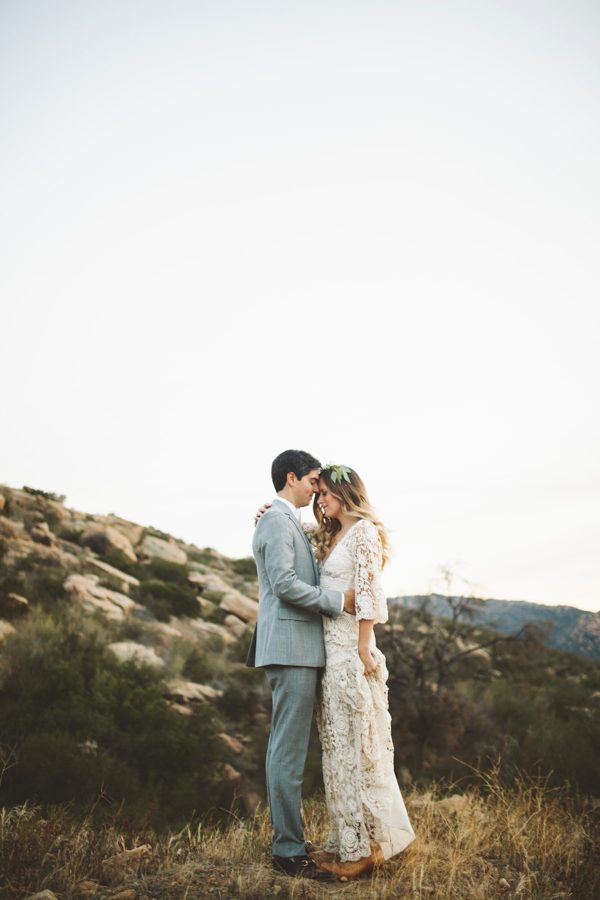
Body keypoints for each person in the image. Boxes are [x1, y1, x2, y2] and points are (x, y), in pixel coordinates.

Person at [246, 449, 356, 881]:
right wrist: (336, 602)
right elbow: (285, 585)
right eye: (313, 480)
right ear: (292, 477)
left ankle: (288, 841)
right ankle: (287, 851)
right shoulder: (276, 521)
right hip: (290, 648)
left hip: (296, 648)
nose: (316, 489)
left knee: (287, 750)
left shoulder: (282, 519)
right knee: (287, 752)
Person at [308, 463, 415, 878]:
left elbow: (368, 592)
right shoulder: (334, 534)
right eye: (317, 495)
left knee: (357, 751)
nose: (320, 500)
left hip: (349, 652)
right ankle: (344, 841)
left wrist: (364, 646)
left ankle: (365, 851)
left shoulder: (364, 531)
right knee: (337, 751)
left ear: (345, 492)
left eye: (326, 494)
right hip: (329, 653)